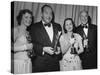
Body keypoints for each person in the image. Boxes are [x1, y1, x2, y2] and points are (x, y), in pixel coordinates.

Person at [30, 5, 62, 72]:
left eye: (50, 13)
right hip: (40, 65)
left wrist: (59, 49)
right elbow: (31, 43)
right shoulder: (34, 27)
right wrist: (43, 49)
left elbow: (59, 42)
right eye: (46, 13)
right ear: (41, 14)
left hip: (55, 65)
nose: (49, 15)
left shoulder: (58, 26)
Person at [12, 9, 34, 74]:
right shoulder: (16, 30)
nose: (29, 19)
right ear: (21, 18)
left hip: (28, 63)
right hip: (18, 63)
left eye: (30, 17)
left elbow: (28, 48)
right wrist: (25, 47)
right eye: (26, 17)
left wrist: (31, 52)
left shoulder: (28, 33)